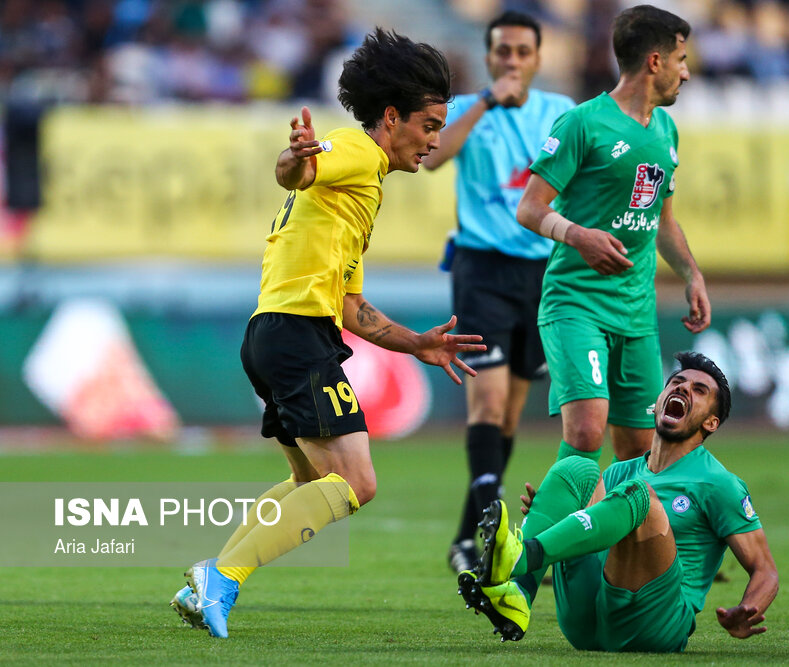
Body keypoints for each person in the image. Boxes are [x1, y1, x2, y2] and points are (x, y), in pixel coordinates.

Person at [167, 28, 485, 639]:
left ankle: (202, 584)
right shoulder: (356, 153)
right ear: (391, 117)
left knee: (314, 482)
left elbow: (353, 307)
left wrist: (417, 343)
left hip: (272, 334)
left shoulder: (362, 192)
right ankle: (223, 575)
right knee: (357, 483)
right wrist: (295, 157)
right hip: (294, 337)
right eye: (428, 124)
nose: (434, 140)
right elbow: (297, 171)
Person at [458, 351, 779, 652]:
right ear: (658, 401)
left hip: (656, 624)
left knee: (640, 496)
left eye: (699, 390)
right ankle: (518, 595)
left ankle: (519, 557)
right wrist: (558, 520)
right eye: (677, 383)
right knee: (578, 465)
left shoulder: (719, 483)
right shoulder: (619, 472)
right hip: (588, 621)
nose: (683, 389)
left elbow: (765, 569)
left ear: (711, 422)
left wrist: (748, 609)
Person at [516, 5, 711, 464]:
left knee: (642, 451)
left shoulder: (666, 130)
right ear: (655, 61)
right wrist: (579, 236)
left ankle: (602, 538)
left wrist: (691, 274)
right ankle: (537, 538)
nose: (686, 73)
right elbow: (529, 208)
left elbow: (663, 222)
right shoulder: (583, 123)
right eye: (680, 60)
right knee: (586, 431)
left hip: (637, 314)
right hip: (578, 301)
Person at [420, 11, 575, 574]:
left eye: (521, 52)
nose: (511, 60)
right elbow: (432, 158)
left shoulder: (560, 112)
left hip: (541, 273)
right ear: (488, 57)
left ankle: (469, 536)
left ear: (537, 58)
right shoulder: (463, 108)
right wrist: (488, 99)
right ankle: (490, 539)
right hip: (481, 268)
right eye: (502, 51)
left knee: (507, 419)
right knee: (485, 403)